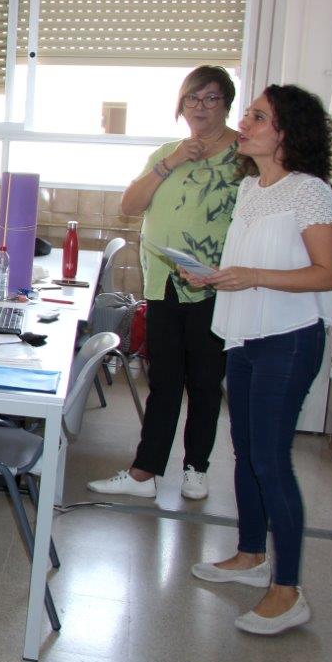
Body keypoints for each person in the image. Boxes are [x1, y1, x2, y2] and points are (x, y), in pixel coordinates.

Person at [184, 85, 332, 635]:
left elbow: (328, 274)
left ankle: (288, 590)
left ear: (285, 133)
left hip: (288, 339)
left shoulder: (310, 191)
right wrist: (211, 276)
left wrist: (250, 276)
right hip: (245, 335)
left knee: (271, 460)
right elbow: (251, 261)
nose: (243, 124)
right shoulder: (252, 186)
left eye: (257, 117)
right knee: (247, 451)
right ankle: (251, 555)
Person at [87, 66, 242, 501]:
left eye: (211, 98)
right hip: (164, 283)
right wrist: (170, 163)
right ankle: (145, 472)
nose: (200, 107)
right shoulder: (167, 152)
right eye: (192, 98)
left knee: (205, 381)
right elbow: (130, 205)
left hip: (214, 285)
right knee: (164, 380)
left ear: (226, 104)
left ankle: (196, 468)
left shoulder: (244, 156)